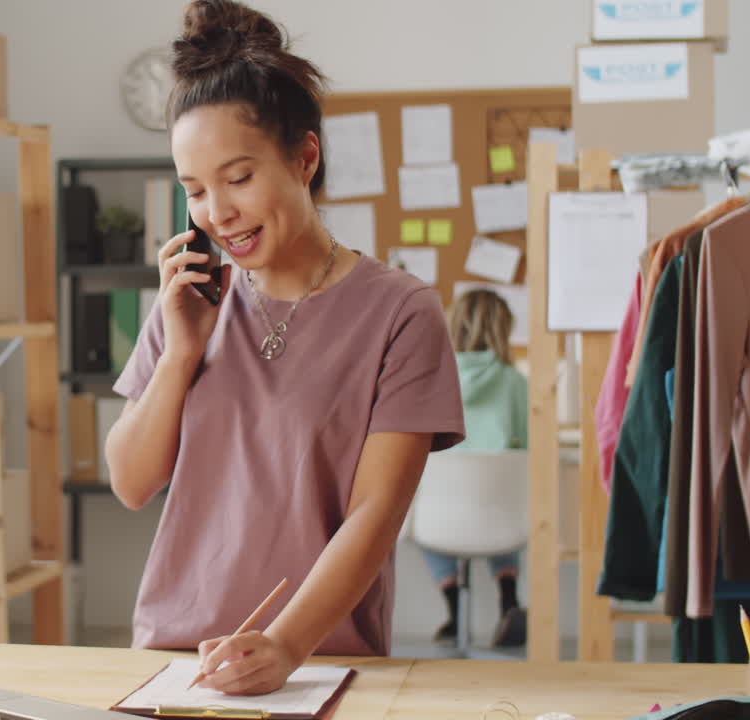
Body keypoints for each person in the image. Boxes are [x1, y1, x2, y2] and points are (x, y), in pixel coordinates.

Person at [104, 0, 465, 696]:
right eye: (196, 190)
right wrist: (180, 353)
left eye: (238, 178)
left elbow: (376, 513)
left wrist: (283, 646)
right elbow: (132, 481)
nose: (218, 212)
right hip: (175, 663)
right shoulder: (190, 302)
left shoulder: (401, 313)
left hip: (317, 665)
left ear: (305, 156)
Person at [423, 289, 529, 648]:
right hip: (498, 517)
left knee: (425, 502)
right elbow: (529, 448)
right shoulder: (516, 384)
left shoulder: (431, 380)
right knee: (503, 498)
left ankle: (453, 608)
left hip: (437, 520)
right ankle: (509, 596)